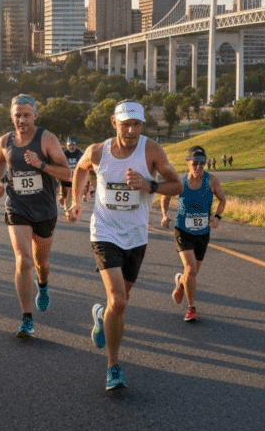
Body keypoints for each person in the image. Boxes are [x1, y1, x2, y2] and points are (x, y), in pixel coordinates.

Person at [67, 100, 182, 390]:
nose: (131, 131)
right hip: (104, 231)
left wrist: (149, 185)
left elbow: (177, 185)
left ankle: (100, 314)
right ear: (113, 123)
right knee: (118, 301)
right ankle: (113, 366)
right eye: (125, 124)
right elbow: (80, 169)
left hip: (136, 236)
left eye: (137, 125)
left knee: (119, 303)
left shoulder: (151, 151)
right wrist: (76, 200)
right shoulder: (98, 151)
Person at [0, 95, 71, 338]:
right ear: (12, 116)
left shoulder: (47, 139)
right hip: (17, 207)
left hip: (45, 210)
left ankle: (43, 285)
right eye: (17, 115)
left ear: (35, 115)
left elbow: (67, 173)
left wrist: (42, 165)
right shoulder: (4, 141)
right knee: (23, 260)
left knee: (40, 263)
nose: (22, 119)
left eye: (26, 114)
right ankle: (27, 319)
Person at [160, 146, 226, 322]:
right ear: (188, 163)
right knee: (190, 269)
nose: (198, 167)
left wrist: (217, 216)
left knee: (193, 273)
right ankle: (191, 308)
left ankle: (181, 282)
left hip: (203, 233)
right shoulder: (180, 182)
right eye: (195, 163)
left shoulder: (211, 181)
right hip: (182, 231)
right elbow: (165, 196)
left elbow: (222, 199)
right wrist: (165, 215)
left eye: (202, 163)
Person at [59, 137, 84, 212]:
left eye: (73, 145)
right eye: (69, 145)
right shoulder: (65, 153)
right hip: (66, 175)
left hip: (76, 176)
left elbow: (82, 164)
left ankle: (69, 208)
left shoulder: (79, 152)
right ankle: (64, 202)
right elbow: (60, 164)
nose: (71, 146)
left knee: (72, 194)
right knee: (62, 197)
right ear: (67, 145)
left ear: (76, 145)